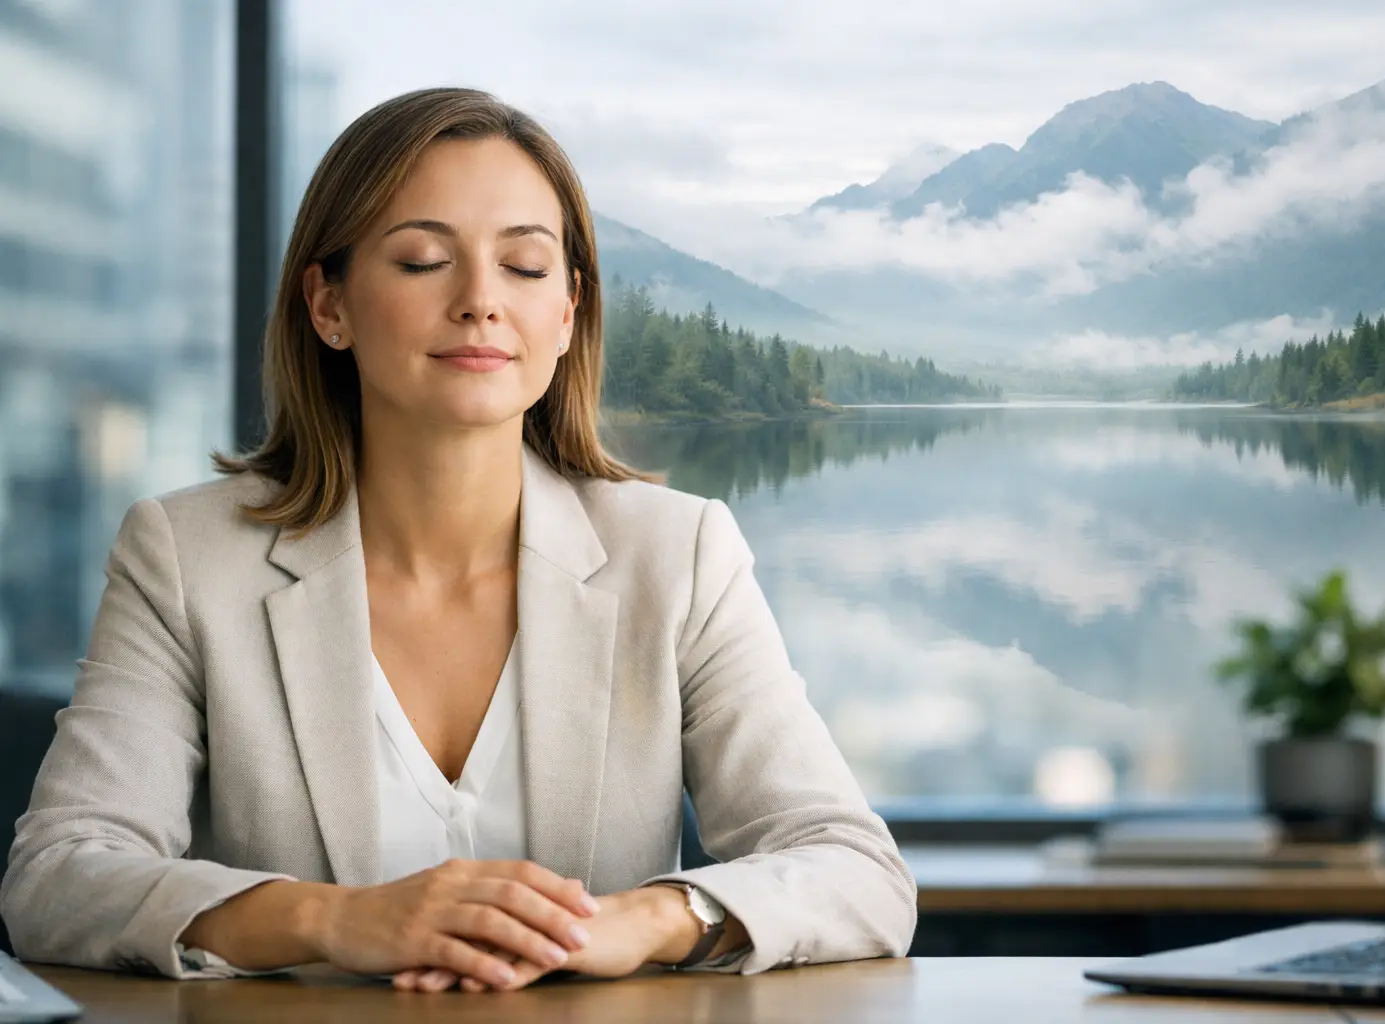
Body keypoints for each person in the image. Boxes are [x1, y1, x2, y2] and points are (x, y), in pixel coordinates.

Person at [0, 87, 916, 994]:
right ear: (329, 305)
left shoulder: (680, 555)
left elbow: (858, 872)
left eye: (524, 267)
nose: (481, 301)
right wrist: (335, 920)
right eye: (423, 260)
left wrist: (639, 922)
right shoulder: (186, 553)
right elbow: (58, 875)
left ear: (566, 315)